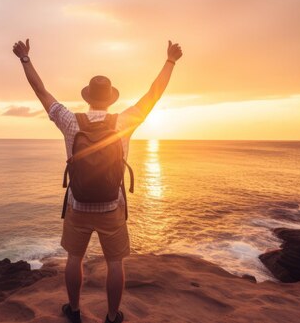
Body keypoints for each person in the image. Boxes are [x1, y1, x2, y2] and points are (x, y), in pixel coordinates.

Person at [12, 38, 183, 323]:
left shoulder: (70, 121)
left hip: (78, 205)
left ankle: (75, 311)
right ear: (110, 98)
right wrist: (170, 61)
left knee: (74, 260)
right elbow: (154, 94)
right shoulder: (124, 121)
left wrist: (25, 58)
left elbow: (41, 91)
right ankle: (113, 316)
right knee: (115, 264)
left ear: (89, 97)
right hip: (111, 207)